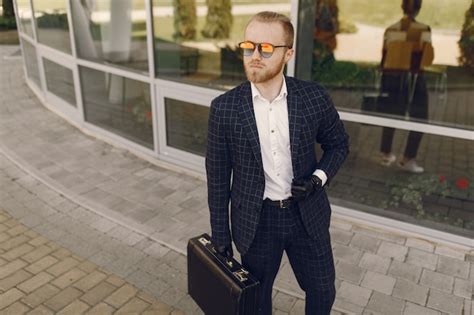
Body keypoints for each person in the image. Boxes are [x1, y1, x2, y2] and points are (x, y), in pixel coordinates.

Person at [206, 11, 349, 315]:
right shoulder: (224, 109)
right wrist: (221, 237)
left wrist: (317, 179)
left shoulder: (312, 97)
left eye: (267, 48)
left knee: (323, 290)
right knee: (257, 300)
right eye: (249, 46)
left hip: (306, 214)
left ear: (289, 53)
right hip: (257, 222)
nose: (255, 56)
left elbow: (338, 144)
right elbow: (217, 180)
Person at [378, 0, 434, 173]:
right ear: (419, 8)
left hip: (392, 78)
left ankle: (386, 154)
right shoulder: (423, 30)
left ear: (402, 7)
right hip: (414, 79)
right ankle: (408, 158)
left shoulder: (390, 29)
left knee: (391, 116)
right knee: (420, 118)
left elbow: (383, 58)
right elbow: (427, 58)